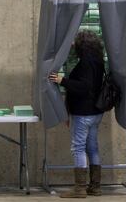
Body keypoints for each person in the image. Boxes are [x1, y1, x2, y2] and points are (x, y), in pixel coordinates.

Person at [49, 30, 105, 198]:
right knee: (92, 148)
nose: (73, 45)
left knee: (78, 148)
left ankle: (80, 189)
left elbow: (84, 87)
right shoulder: (98, 61)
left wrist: (62, 81)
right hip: (95, 112)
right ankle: (95, 187)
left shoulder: (86, 62)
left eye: (76, 42)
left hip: (83, 112)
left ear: (82, 44)